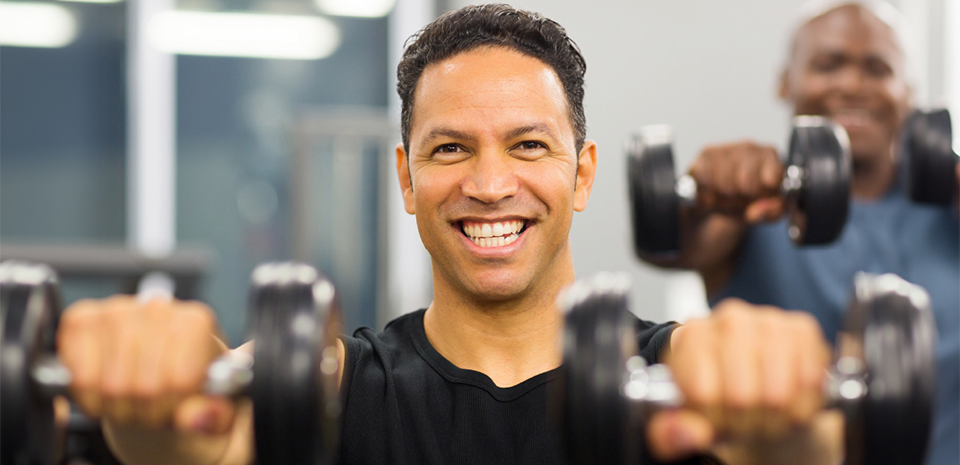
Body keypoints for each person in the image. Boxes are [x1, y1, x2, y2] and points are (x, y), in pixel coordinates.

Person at [57, 4, 841, 465]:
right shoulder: (332, 387)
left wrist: (788, 418)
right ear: (405, 177)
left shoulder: (682, 386)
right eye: (450, 148)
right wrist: (151, 397)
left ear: (583, 174)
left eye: (528, 145)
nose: (489, 183)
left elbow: (799, 448)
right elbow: (209, 434)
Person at [639, 2, 960, 464]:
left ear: (908, 92)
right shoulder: (755, 203)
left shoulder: (950, 206)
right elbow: (672, 246)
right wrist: (709, 195)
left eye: (877, 68)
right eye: (828, 65)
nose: (852, 84)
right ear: (785, 81)